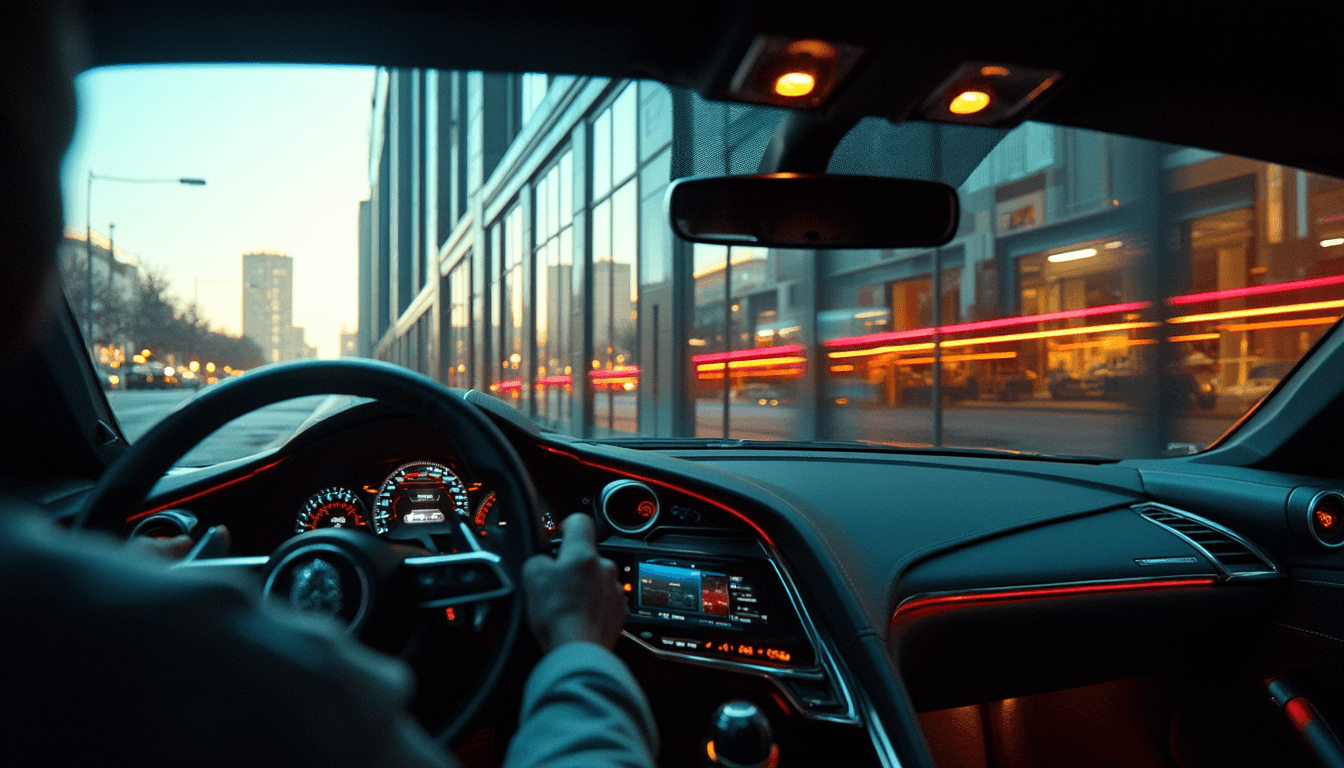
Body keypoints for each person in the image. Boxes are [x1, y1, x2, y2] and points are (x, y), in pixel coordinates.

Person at [0, 2, 657, 766]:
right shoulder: (215, 660)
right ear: (33, 222)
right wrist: (579, 648)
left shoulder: (100, 629)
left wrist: (117, 586)